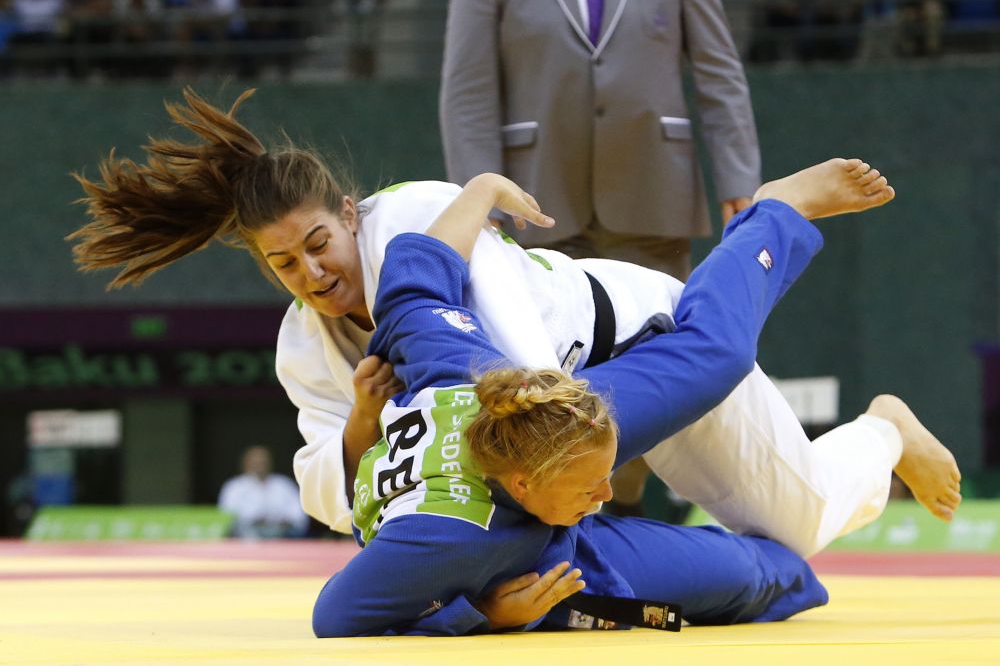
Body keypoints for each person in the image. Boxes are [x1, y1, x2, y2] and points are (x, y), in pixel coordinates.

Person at [68, 88, 960, 564]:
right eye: (285, 266)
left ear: (350, 211)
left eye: (318, 244)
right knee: (785, 535)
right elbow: (330, 493)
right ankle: (878, 432)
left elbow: (530, 381)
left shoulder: (419, 219)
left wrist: (536, 472)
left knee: (787, 516)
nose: (315, 274)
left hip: (616, 350)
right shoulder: (304, 345)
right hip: (561, 424)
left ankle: (781, 237)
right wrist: (358, 432)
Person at [311, 165, 950, 635]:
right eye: (593, 483)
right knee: (765, 567)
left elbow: (415, 273)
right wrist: (480, 612)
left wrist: (479, 190)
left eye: (604, 472)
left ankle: (775, 214)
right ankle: (853, 469)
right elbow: (333, 614)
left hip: (550, 413)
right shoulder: (442, 540)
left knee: (719, 358)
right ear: (526, 488)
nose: (610, 492)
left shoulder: (462, 375)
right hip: (548, 562)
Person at [438, 0, 762, 514]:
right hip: (533, 200)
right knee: (539, 371)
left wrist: (739, 176)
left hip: (653, 191)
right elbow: (467, 86)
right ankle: (550, 516)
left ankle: (622, 508)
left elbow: (718, 69)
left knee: (653, 360)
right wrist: (480, 195)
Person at [218, 445, 310, 539]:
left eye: (263, 462)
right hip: (245, 540)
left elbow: (300, 515)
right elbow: (226, 517)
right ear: (245, 463)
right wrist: (254, 519)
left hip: (284, 539)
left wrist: (283, 521)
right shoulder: (234, 487)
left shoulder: (284, 484)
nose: (259, 465)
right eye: (255, 462)